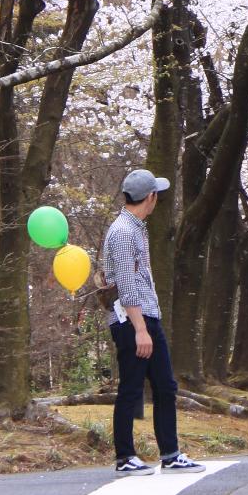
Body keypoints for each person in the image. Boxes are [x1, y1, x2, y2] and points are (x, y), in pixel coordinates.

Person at [101, 167, 202, 476]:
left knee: (165, 386)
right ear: (151, 197)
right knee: (131, 388)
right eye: (157, 193)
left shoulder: (135, 228)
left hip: (145, 317)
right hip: (133, 320)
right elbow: (127, 285)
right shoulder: (122, 233)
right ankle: (125, 457)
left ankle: (170, 453)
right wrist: (140, 329)